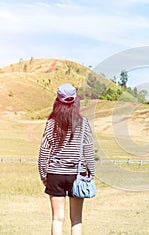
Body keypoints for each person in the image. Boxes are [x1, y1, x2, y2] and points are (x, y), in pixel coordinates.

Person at [38, 83, 95, 235]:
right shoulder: (83, 123)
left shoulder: (51, 123)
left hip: (55, 175)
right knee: (76, 220)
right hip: (78, 175)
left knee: (57, 218)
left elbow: (44, 150)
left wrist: (43, 175)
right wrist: (91, 174)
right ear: (75, 101)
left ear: (57, 101)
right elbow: (88, 150)